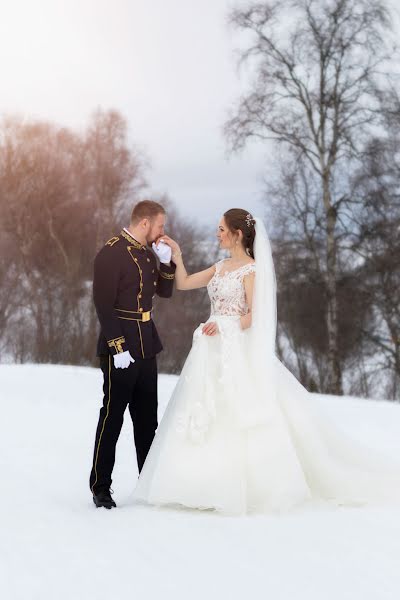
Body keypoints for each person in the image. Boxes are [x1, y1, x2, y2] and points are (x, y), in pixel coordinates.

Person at [132, 208, 400, 515]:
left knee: (238, 412)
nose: (217, 234)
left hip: (234, 344)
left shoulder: (252, 271)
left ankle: (243, 485)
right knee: (204, 411)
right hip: (210, 348)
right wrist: (177, 256)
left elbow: (252, 316)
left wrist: (223, 325)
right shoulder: (220, 266)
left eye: (221, 229)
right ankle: (197, 482)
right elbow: (184, 283)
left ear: (237, 234)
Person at [89, 200, 176, 509]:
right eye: (160, 226)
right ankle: (101, 487)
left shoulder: (148, 254)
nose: (162, 232)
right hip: (121, 347)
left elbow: (164, 293)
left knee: (146, 420)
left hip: (146, 344)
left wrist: (167, 263)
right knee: (112, 417)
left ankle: (148, 483)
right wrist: (117, 346)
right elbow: (102, 304)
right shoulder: (111, 253)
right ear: (144, 224)